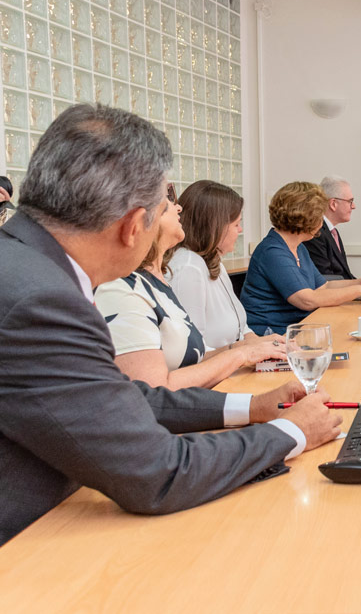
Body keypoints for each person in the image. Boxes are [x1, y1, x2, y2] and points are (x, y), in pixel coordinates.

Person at [0, 103, 340, 546]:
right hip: (31, 550)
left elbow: (114, 401)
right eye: (164, 207)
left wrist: (252, 410)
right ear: (132, 226)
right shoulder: (40, 300)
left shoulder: (24, 263)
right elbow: (156, 472)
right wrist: (292, 432)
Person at [95, 184, 283, 389]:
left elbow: (195, 354)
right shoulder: (173, 271)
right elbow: (154, 391)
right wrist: (241, 354)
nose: (179, 209)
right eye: (167, 204)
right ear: (137, 222)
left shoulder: (160, 278)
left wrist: (249, 348)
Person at [240, 181, 361, 335]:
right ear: (305, 218)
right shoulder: (272, 252)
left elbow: (324, 287)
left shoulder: (298, 247)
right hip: (273, 336)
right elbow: (307, 300)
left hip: (299, 330)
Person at [167, 180, 280, 349]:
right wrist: (248, 351)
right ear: (215, 227)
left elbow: (242, 329)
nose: (240, 230)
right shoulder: (188, 268)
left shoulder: (213, 261)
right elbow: (193, 352)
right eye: (236, 224)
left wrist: (271, 345)